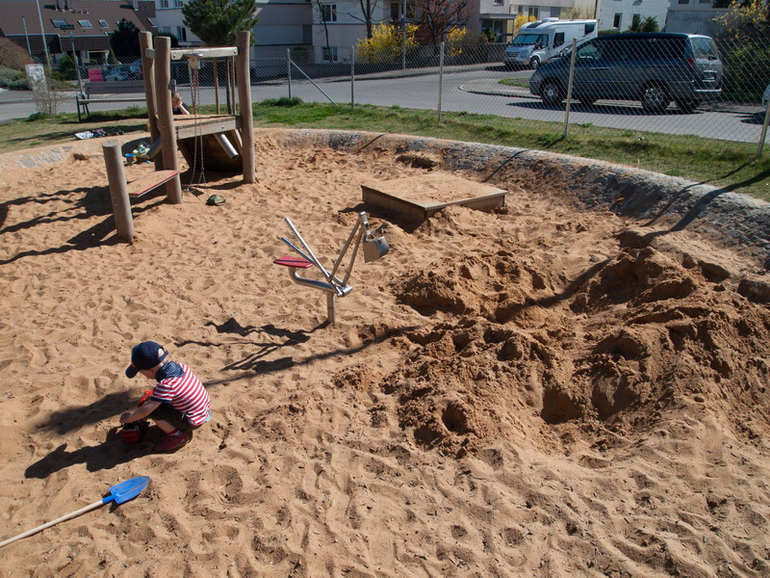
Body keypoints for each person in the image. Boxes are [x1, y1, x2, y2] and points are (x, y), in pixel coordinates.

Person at [120, 341, 211, 452]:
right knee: (156, 398)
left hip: (192, 420)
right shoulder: (181, 367)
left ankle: (178, 436)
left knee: (152, 410)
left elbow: (146, 410)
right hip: (203, 411)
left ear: (150, 371)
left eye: (142, 372)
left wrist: (130, 418)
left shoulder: (167, 384)